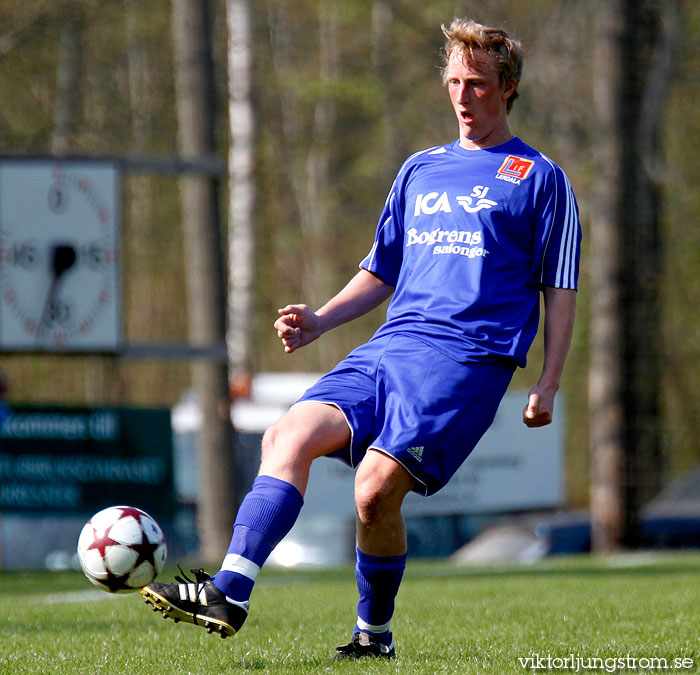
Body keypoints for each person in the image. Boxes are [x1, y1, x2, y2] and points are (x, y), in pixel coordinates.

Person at [142, 17, 581, 660]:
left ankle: (373, 635)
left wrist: (548, 380)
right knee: (286, 434)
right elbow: (382, 269)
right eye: (455, 82)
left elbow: (560, 288)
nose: (463, 97)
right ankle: (229, 589)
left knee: (373, 491)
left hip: (466, 360)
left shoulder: (543, 180)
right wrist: (320, 320)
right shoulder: (420, 170)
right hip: (390, 345)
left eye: (479, 84)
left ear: (508, 88)